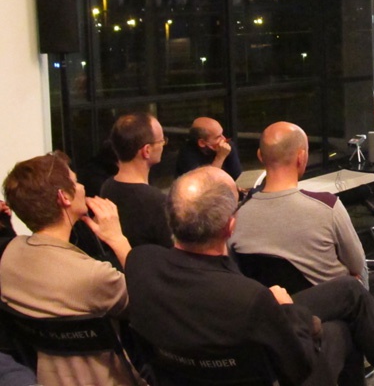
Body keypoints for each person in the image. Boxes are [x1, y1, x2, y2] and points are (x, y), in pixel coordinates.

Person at [125, 166, 374, 386]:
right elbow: (299, 366)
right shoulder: (251, 300)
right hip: (262, 366)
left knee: (348, 292)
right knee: (342, 330)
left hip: (192, 361)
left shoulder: (140, 264)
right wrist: (285, 310)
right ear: (230, 226)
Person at [0, 152, 143, 385]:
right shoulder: (94, 276)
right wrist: (118, 240)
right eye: (76, 182)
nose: (82, 186)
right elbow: (151, 302)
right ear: (64, 197)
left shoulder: (8, 256)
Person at [229, 121, 368, 288]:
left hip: (267, 303)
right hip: (329, 302)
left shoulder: (236, 218)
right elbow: (357, 266)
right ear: (301, 157)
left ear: (260, 156)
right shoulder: (328, 207)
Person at [100, 112, 173, 248]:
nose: (163, 145)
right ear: (147, 150)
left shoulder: (107, 187)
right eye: (161, 141)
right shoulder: (157, 202)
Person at [174, 116, 242, 181]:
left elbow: (238, 177)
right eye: (218, 137)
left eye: (222, 134)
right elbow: (205, 183)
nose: (223, 139)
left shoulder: (227, 146)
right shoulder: (187, 153)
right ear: (202, 143)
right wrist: (220, 157)